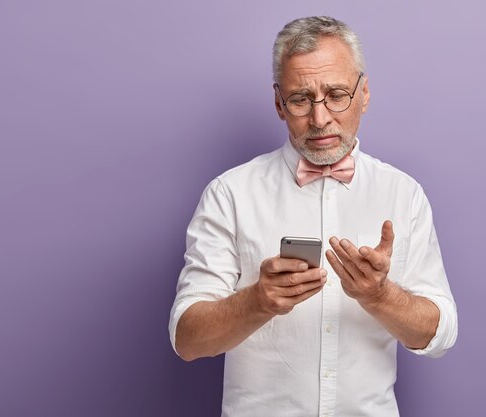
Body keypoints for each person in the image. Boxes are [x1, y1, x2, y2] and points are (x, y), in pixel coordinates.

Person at [168, 16, 457, 417]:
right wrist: (257, 301)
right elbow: (187, 339)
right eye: (301, 99)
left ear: (365, 92)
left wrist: (379, 295)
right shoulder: (229, 194)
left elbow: (440, 336)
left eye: (336, 94)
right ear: (278, 103)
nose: (320, 119)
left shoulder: (403, 195)